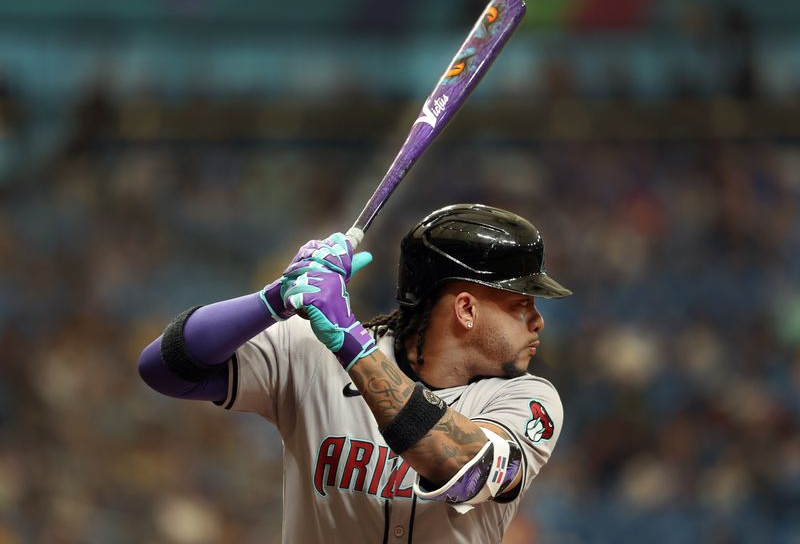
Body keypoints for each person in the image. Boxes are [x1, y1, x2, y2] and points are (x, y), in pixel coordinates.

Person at [139, 203, 571, 544]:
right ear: (466, 309)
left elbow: (463, 467)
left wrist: (349, 340)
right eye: (521, 305)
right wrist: (273, 300)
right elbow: (165, 369)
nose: (537, 321)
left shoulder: (528, 399)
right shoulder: (313, 354)